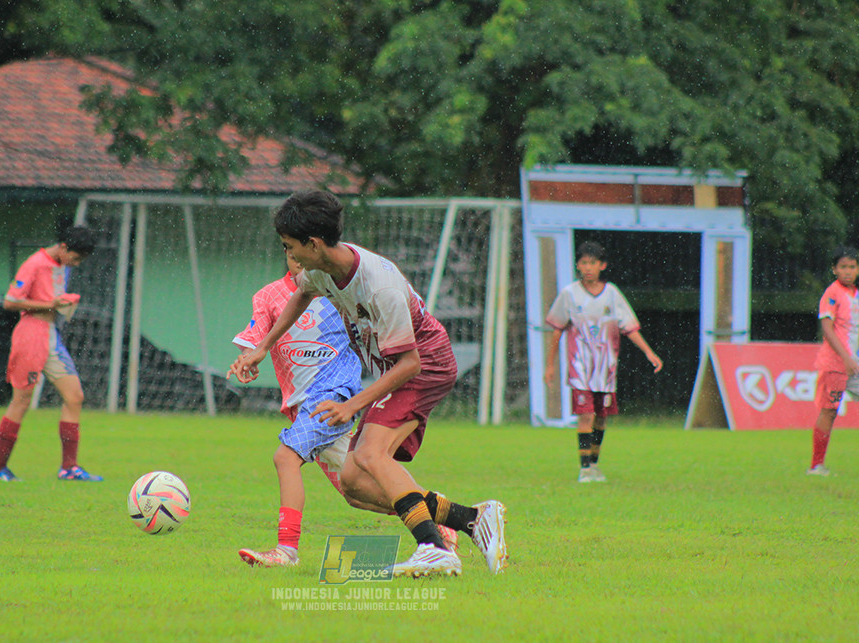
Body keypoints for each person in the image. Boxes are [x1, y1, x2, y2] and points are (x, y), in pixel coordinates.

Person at [230, 190, 506, 578]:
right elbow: (301, 296)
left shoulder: (379, 286)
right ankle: (473, 518)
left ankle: (433, 548)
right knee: (354, 483)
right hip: (398, 369)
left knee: (372, 455)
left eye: (290, 247)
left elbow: (410, 363)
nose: (288, 257)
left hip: (424, 365)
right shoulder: (321, 269)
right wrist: (263, 347)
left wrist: (352, 404)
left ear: (313, 244)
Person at [232, 251, 364, 568]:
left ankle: (286, 551)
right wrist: (245, 359)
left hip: (334, 395)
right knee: (360, 492)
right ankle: (447, 520)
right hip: (301, 407)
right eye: (291, 250)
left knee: (285, 457)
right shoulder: (269, 296)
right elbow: (255, 336)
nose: (299, 257)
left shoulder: (339, 290)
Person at [0, 225, 101, 482]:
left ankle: (69, 468)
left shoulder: (62, 265)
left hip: (50, 336)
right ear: (63, 247)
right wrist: (50, 304)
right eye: (76, 258)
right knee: (21, 401)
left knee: (75, 396)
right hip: (31, 335)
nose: (77, 264)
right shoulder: (35, 263)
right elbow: (10, 301)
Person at [544, 240, 663, 483]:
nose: (588, 267)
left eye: (593, 263)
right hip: (580, 368)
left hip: (606, 370)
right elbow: (557, 330)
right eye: (584, 262)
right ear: (578, 265)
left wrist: (649, 352)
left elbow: (629, 327)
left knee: (601, 416)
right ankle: (584, 468)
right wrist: (549, 365)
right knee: (585, 415)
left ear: (602, 266)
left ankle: (594, 465)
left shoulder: (612, 294)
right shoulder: (569, 294)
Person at [807, 246, 859, 476]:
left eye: (852, 266)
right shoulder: (832, 293)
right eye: (843, 267)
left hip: (854, 364)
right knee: (829, 411)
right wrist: (846, 357)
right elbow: (827, 327)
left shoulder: (855, 294)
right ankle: (816, 465)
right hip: (836, 365)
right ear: (834, 269)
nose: (848, 271)